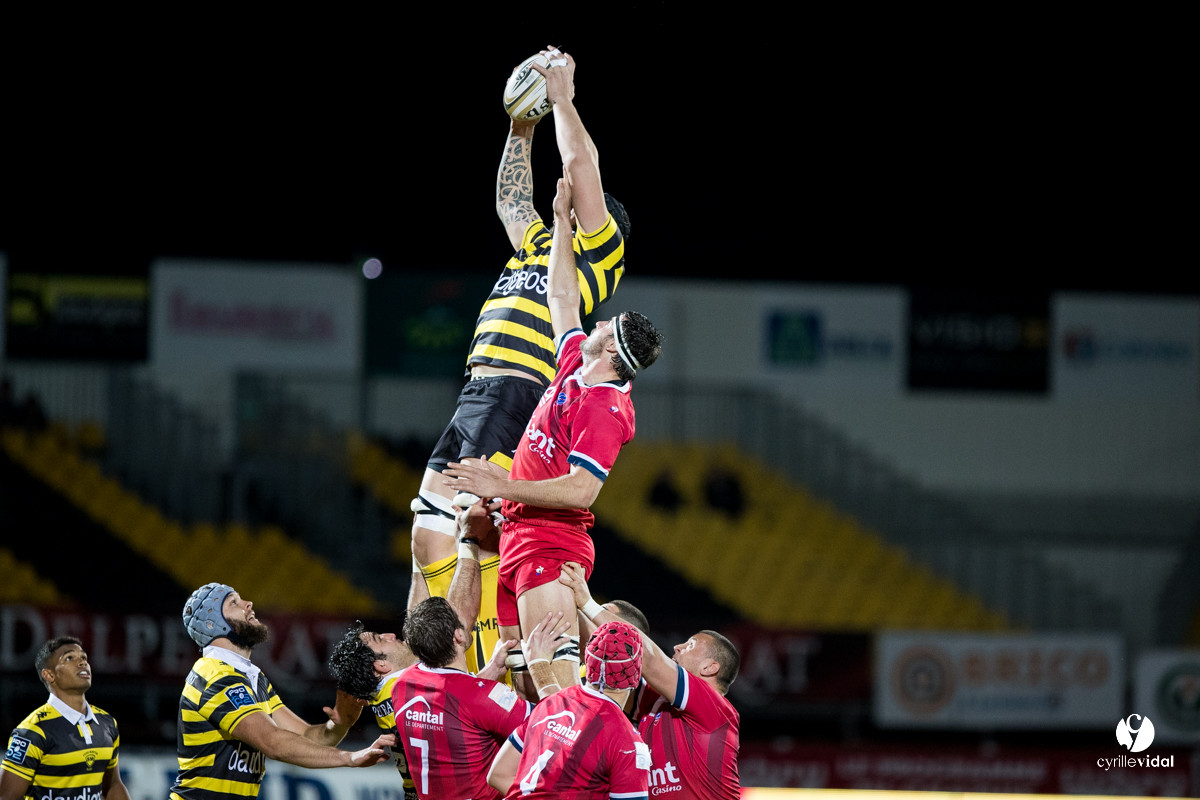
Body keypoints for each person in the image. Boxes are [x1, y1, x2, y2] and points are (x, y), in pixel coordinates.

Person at [407, 43, 633, 683]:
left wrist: (563, 99)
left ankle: (484, 684)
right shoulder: (537, 243)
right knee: (430, 542)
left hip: (514, 394)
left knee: (467, 539)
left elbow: (583, 164)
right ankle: (442, 677)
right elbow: (512, 202)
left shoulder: (597, 252)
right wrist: (520, 127)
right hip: (478, 391)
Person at [444, 147, 663, 698]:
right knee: (523, 686)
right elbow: (561, 293)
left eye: (608, 323)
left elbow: (585, 490)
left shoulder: (606, 407)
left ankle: (592, 773)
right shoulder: (576, 365)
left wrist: (500, 484)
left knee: (556, 690)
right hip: (519, 535)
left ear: (612, 349)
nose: (601, 317)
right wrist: (561, 220)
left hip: (550, 543)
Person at [328, 499, 514, 799]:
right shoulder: (406, 687)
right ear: (381, 666)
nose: (391, 634)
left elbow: (456, 700)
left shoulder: (395, 696)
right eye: (380, 639)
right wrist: (466, 540)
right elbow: (456, 624)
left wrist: (420, 564)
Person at [169, 583, 393, 800]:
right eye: (233, 602)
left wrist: (341, 723)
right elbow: (272, 742)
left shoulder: (251, 677)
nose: (248, 603)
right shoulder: (214, 674)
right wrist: (350, 758)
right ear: (212, 625)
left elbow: (307, 738)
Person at [559, 563, 742, 799]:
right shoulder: (657, 702)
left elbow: (648, 658)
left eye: (690, 645)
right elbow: (615, 658)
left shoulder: (716, 709)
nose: (678, 646)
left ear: (710, 667)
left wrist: (587, 603)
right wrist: (566, 598)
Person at [389, 594, 540, 799]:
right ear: (459, 635)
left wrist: (492, 669)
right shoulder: (479, 697)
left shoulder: (402, 685)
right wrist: (538, 661)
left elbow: (454, 702)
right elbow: (547, 723)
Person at [486, 620, 651, 799]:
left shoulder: (549, 704)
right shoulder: (628, 743)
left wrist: (538, 662)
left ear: (587, 662)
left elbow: (498, 774)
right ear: (636, 676)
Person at [0, 636, 131, 800]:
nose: (82, 662)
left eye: (84, 657)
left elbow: (112, 785)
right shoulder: (32, 731)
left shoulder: (107, 723)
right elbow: (6, 797)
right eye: (69, 658)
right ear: (49, 675)